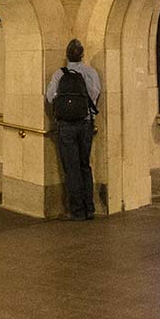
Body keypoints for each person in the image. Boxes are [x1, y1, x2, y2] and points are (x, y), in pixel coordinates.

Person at [45, 39, 102, 219]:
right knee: (85, 165)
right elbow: (95, 94)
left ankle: (76, 211)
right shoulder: (90, 72)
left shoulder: (59, 74)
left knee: (71, 167)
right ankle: (89, 208)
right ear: (82, 55)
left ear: (67, 55)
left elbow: (49, 97)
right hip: (86, 123)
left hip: (66, 125)